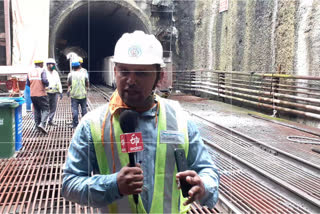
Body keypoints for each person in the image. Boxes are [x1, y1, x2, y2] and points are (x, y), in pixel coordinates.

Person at [62, 31, 219, 213]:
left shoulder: (180, 120)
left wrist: (203, 185)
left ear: (159, 77)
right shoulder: (92, 125)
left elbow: (207, 170)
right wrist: (113, 185)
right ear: (115, 71)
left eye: (141, 73)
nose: (131, 80)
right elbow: (69, 185)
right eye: (124, 71)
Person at [27, 59, 49, 134]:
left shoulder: (30, 72)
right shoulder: (42, 70)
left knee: (36, 109)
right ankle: (42, 124)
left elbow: (27, 83)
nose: (43, 64)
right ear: (40, 64)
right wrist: (47, 84)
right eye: (42, 63)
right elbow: (44, 80)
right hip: (41, 94)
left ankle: (37, 127)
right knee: (46, 109)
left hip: (33, 94)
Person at [67, 60, 89, 128]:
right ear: (79, 66)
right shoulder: (84, 73)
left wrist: (69, 90)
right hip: (83, 94)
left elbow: (69, 83)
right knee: (84, 109)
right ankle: (84, 124)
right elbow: (87, 82)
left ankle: (75, 124)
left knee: (75, 110)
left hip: (74, 95)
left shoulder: (70, 74)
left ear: (72, 67)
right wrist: (86, 89)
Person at [46, 58, 63, 126]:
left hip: (55, 93)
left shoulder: (55, 73)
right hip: (47, 93)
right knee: (46, 107)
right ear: (47, 65)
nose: (53, 66)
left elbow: (58, 82)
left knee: (53, 107)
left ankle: (50, 120)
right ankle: (44, 121)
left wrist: (60, 92)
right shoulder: (45, 73)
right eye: (52, 64)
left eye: (54, 64)